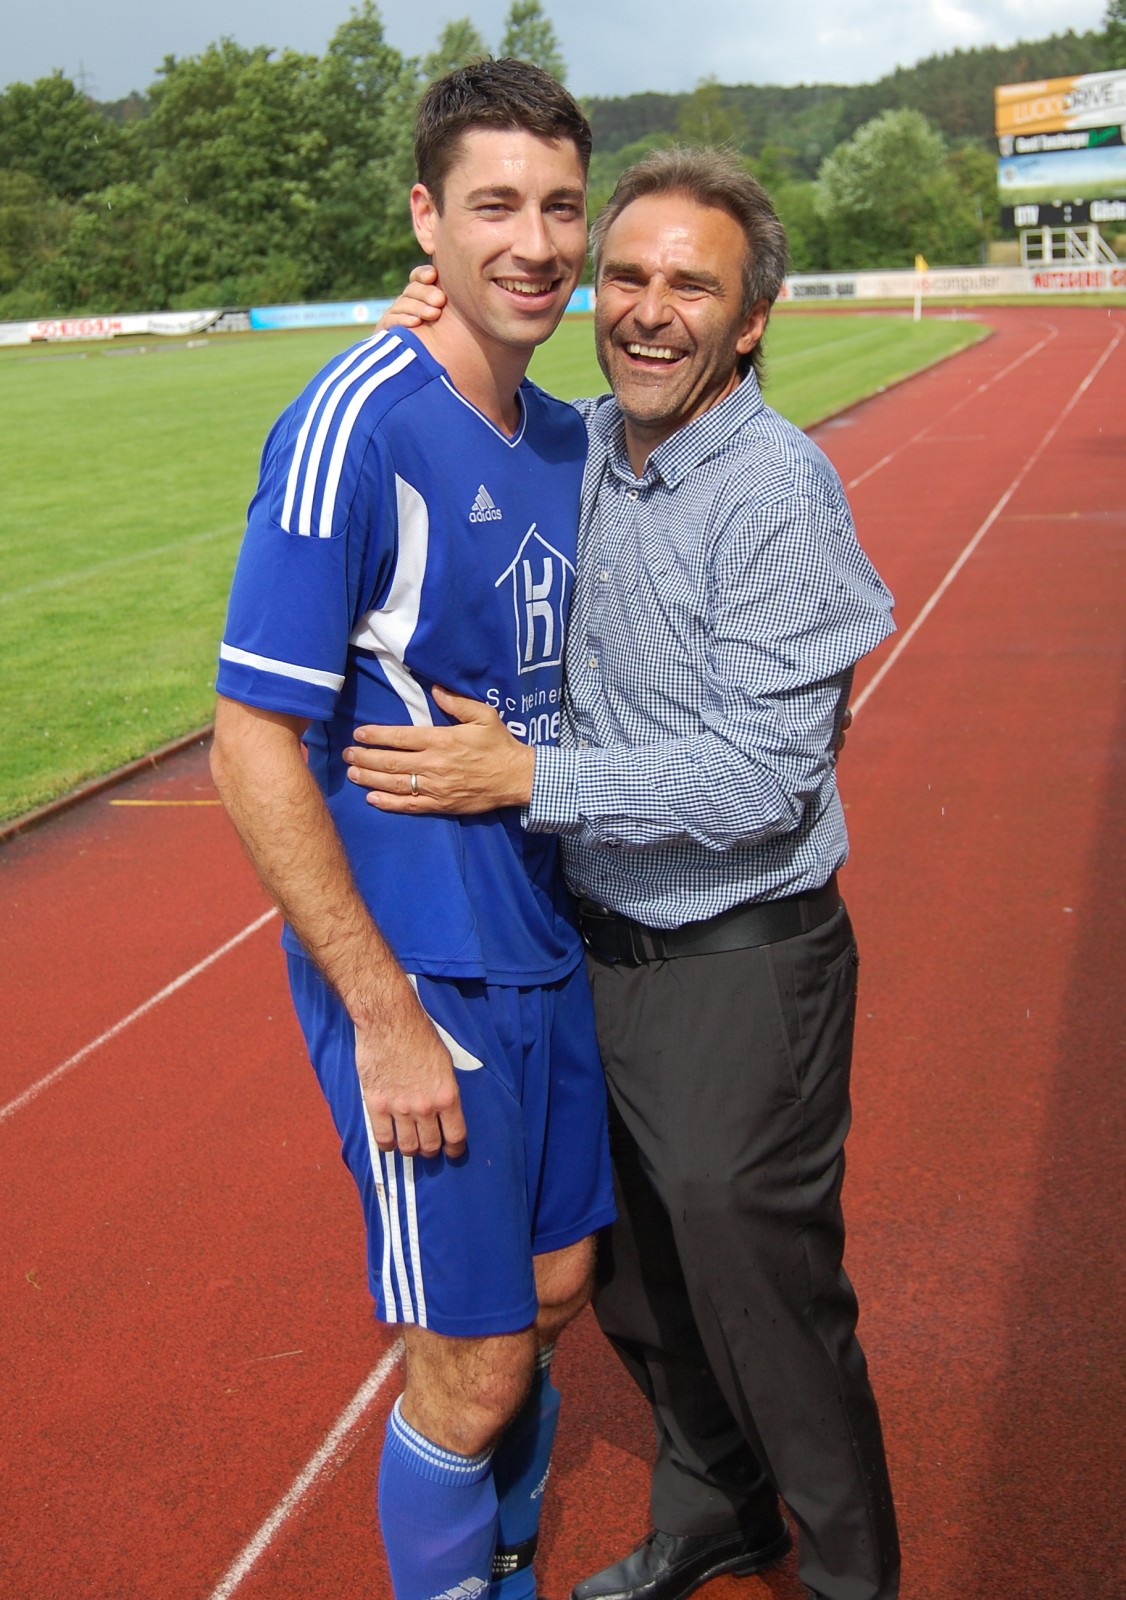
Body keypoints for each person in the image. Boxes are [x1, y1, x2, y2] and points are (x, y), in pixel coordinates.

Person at [344, 147, 901, 1600]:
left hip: (739, 963)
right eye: (630, 276)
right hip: (594, 947)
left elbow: (763, 779)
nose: (651, 311)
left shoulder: (774, 489)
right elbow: (461, 422)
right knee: (634, 1283)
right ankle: (718, 1508)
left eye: (692, 287)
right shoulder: (583, 444)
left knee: (765, 1297)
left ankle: (849, 1576)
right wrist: (424, 336)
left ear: (752, 318)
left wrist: (527, 778)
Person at [209, 60, 616, 1600]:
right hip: (422, 971)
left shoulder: (568, 440)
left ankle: (500, 1560)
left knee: (557, 1285)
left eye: (559, 206)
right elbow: (250, 737)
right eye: (493, 205)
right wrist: (379, 1013)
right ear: (425, 220)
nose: (535, 242)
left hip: (545, 940)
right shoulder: (352, 424)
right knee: (474, 1364)